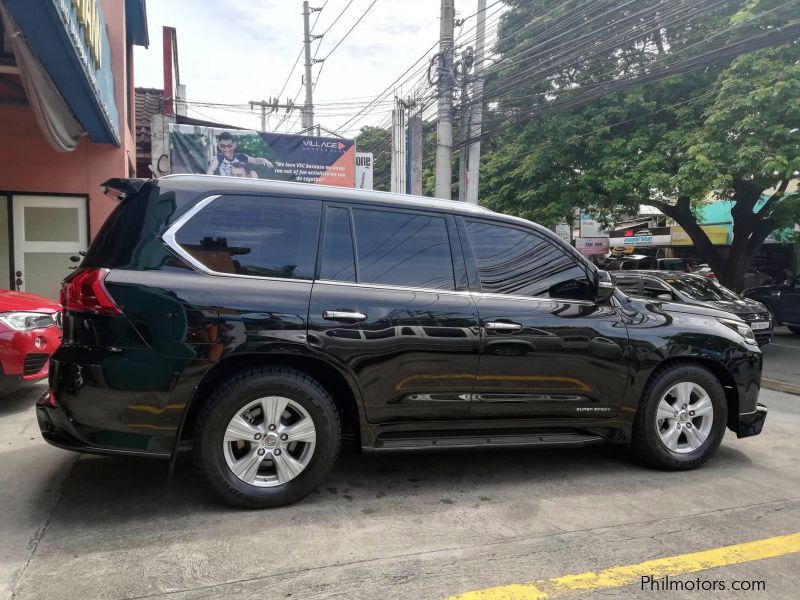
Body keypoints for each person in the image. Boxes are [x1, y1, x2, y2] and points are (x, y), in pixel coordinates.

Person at [207, 131, 273, 177]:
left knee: (253, 173)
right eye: (223, 146)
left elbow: (255, 160)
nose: (226, 149)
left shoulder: (241, 156)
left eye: (229, 146)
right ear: (219, 145)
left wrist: (263, 160)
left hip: (241, 185)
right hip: (227, 185)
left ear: (234, 145)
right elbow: (211, 170)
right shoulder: (218, 158)